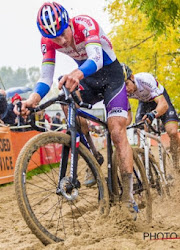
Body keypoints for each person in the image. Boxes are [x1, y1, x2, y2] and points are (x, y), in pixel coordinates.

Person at [17, 2, 136, 218]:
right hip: (88, 78)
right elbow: (46, 78)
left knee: (117, 131)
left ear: (68, 23)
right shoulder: (48, 41)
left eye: (63, 34)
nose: (61, 41)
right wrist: (32, 100)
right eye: (55, 39)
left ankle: (129, 197)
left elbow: (97, 59)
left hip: (111, 76)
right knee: (65, 99)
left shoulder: (85, 24)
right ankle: (91, 154)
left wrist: (76, 74)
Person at [122, 63, 180, 171]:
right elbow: (128, 119)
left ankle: (176, 159)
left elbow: (163, 105)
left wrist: (153, 114)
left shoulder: (145, 79)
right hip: (144, 103)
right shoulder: (123, 92)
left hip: (160, 99)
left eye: (126, 84)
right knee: (140, 129)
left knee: (172, 131)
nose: (125, 89)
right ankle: (146, 159)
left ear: (132, 77)